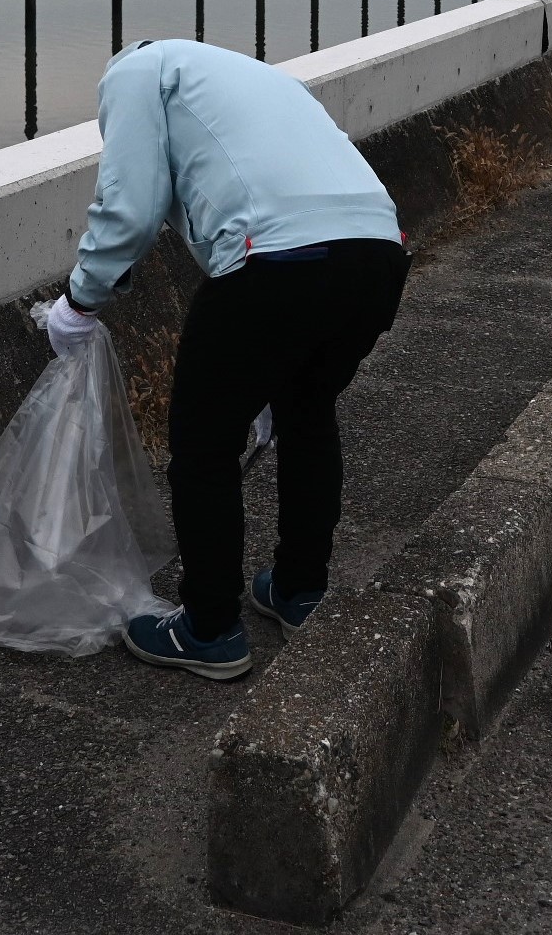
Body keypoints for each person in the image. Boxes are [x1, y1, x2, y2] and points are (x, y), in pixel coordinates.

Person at [43, 39, 410, 680]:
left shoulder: (134, 72)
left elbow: (130, 208)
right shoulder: (258, 78)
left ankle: (209, 628)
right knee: (306, 413)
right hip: (378, 253)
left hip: (278, 261)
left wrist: (80, 300)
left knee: (204, 444)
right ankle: (299, 590)